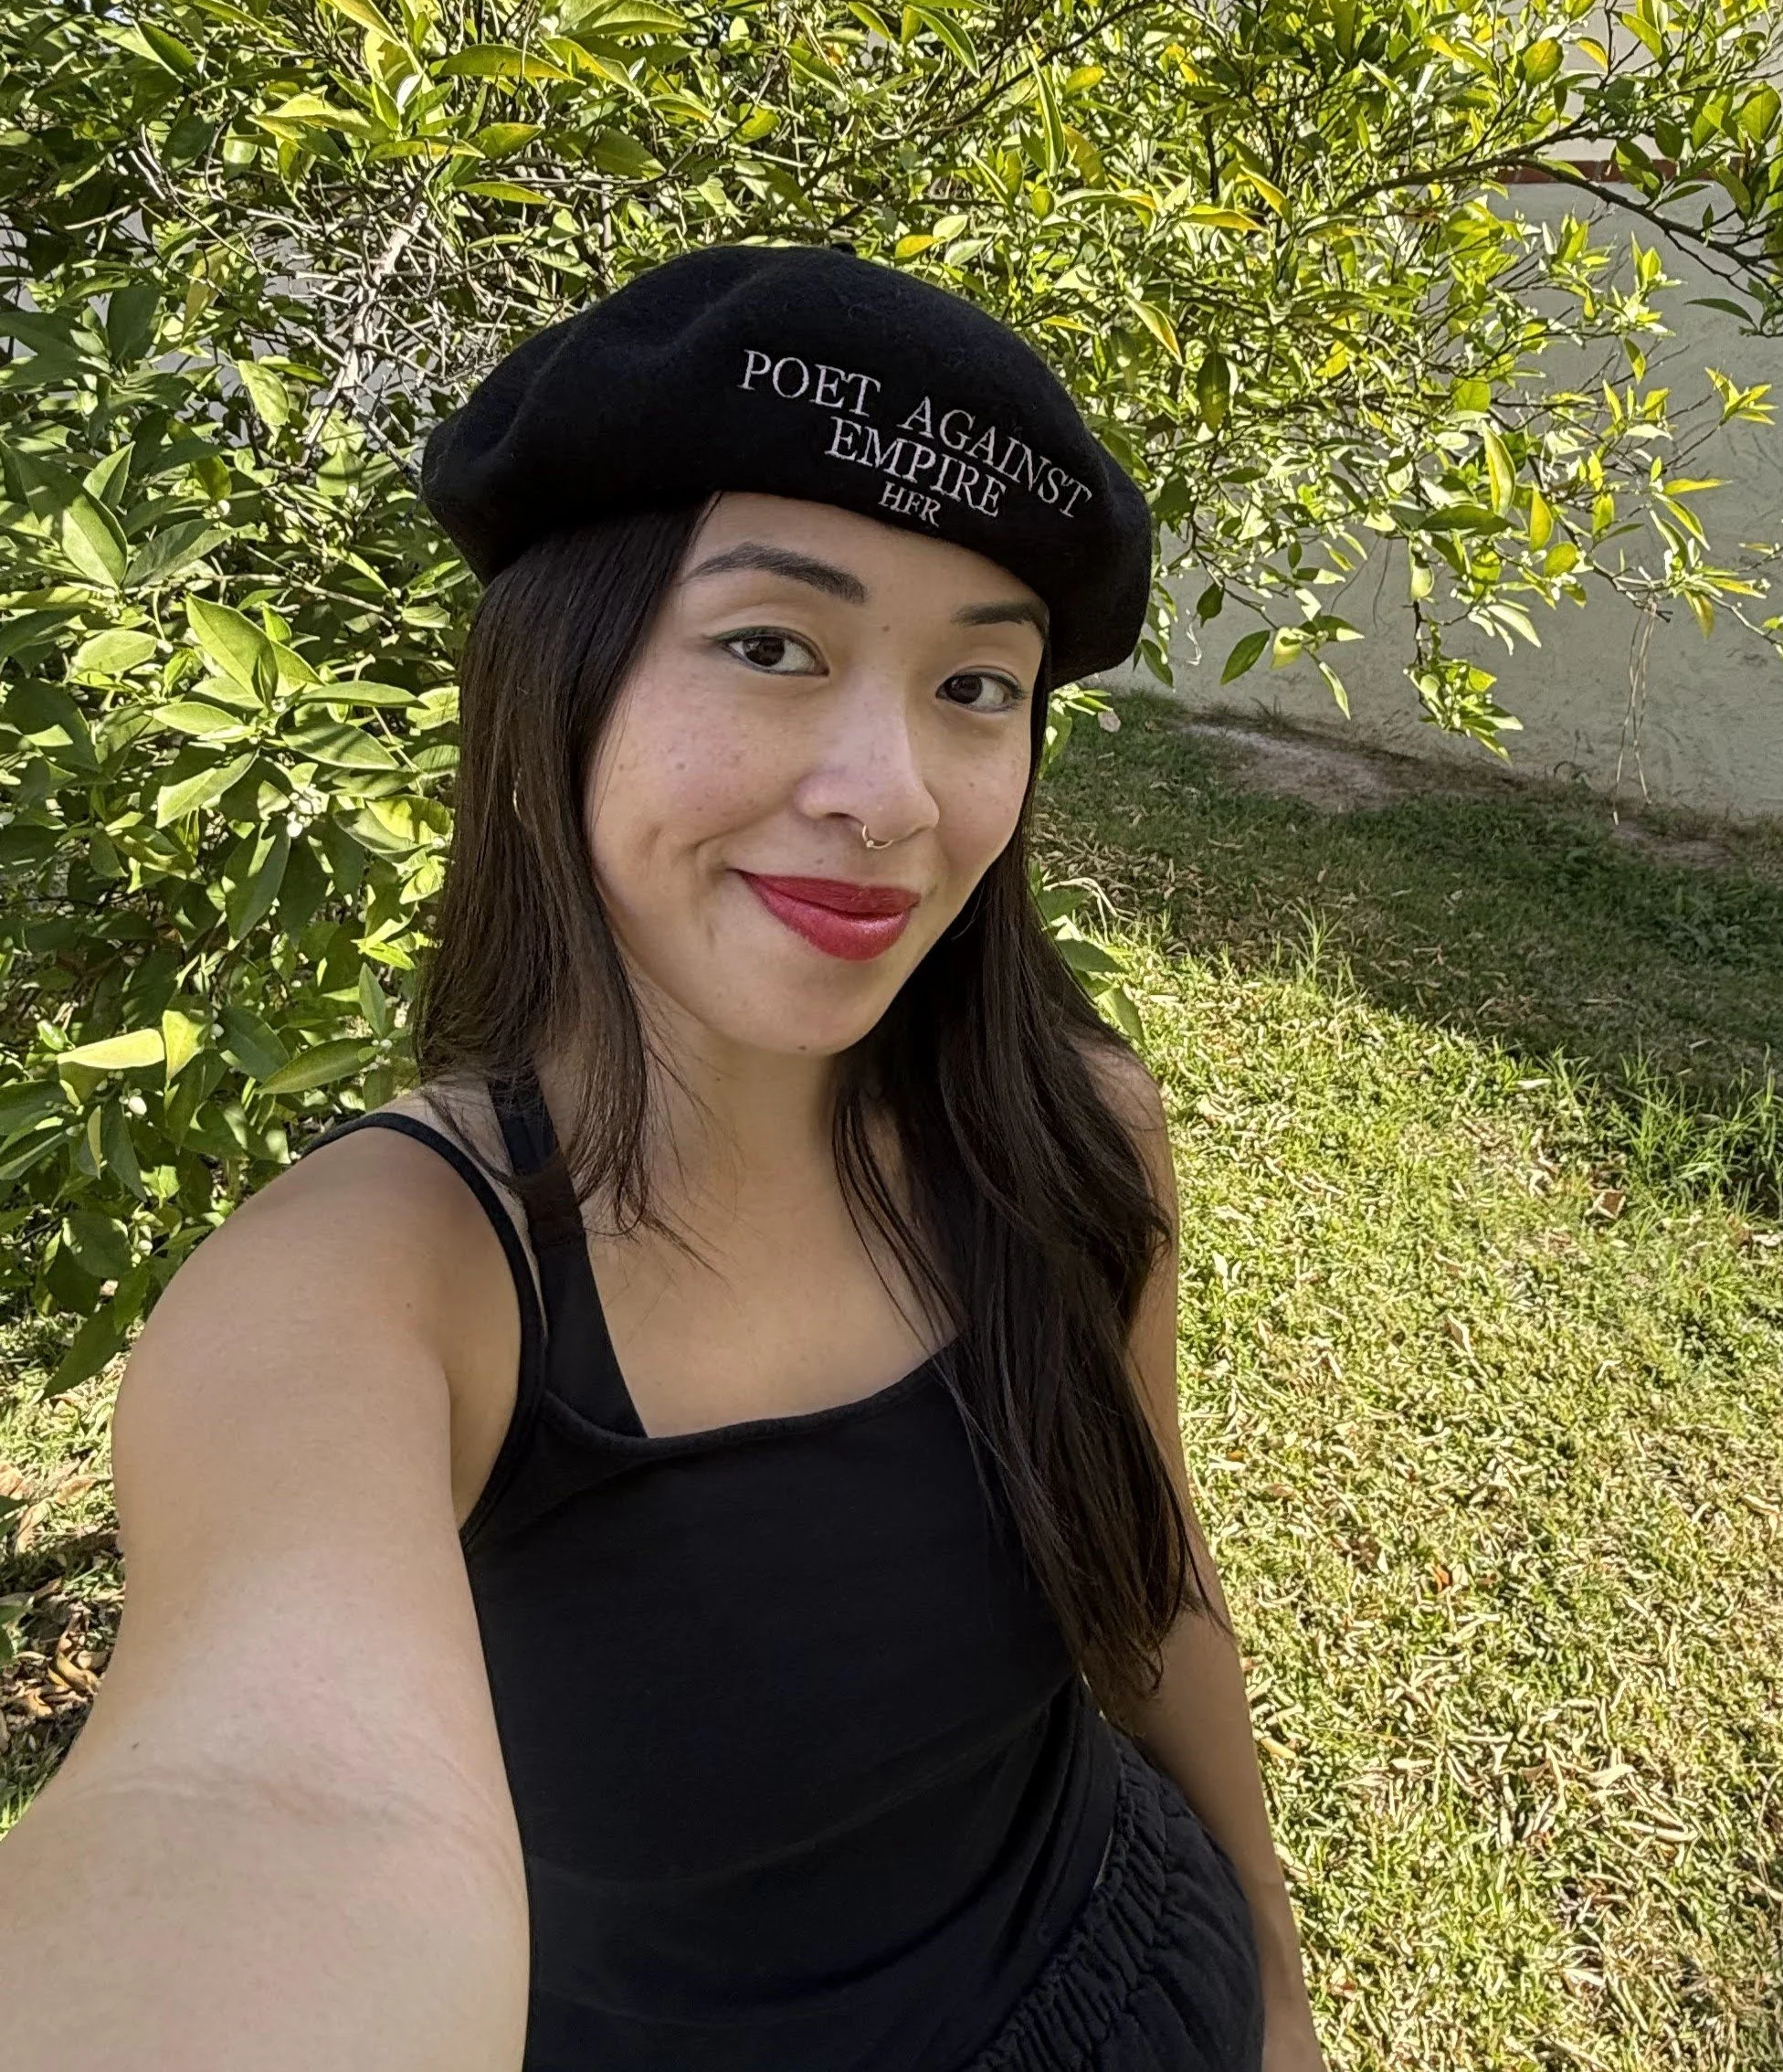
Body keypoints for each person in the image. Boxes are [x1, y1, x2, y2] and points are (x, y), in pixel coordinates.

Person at [0, 245, 1324, 2071]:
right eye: (771, 645)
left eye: (977, 684)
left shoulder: (1075, 1132)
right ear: (563, 674)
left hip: (1140, 1974)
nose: (892, 795)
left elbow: (1156, 1580)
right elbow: (272, 1812)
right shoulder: (378, 1282)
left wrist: (1273, 1980)